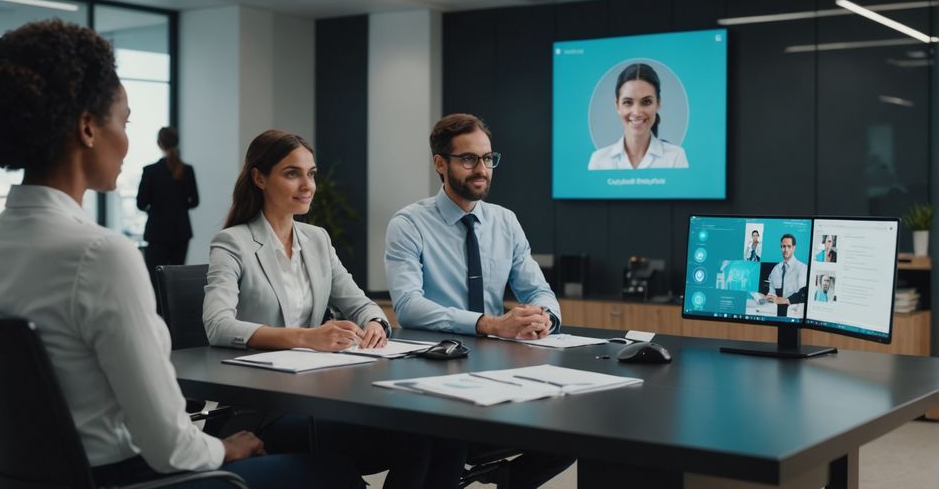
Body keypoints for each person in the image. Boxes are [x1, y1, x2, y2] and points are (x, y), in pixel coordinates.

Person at [0, 20, 361, 488]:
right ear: (88, 127)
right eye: (123, 122)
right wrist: (227, 448)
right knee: (335, 474)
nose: (127, 142)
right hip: (124, 480)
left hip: (24, 479)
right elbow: (171, 446)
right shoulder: (101, 254)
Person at [203, 128, 464, 488]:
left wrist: (374, 322)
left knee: (442, 434)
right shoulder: (232, 243)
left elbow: (360, 303)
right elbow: (218, 325)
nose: (307, 185)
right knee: (415, 438)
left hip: (319, 398)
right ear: (259, 178)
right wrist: (307, 338)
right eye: (292, 173)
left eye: (310, 174)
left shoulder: (317, 240)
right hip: (262, 412)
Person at [384, 113, 574, 488]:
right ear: (441, 163)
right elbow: (408, 305)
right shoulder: (408, 224)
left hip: (498, 366)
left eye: (488, 158)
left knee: (572, 426)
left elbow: (539, 290)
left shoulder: (505, 222)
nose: (481, 169)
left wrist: (544, 319)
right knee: (444, 439)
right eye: (468, 159)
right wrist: (488, 323)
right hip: (434, 370)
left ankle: (503, 477)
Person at [588, 62, 689, 170]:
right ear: (617, 105)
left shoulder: (675, 157)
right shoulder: (599, 160)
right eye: (628, 102)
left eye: (646, 102)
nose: (636, 112)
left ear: (658, 103)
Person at [137, 126, 199, 289]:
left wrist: (155, 209)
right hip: (181, 232)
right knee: (176, 281)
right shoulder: (187, 170)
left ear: (159, 144)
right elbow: (195, 201)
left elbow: (140, 203)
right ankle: (173, 315)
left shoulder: (150, 171)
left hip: (157, 233)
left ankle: (157, 315)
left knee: (155, 282)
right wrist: (178, 207)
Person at [765, 233, 808, 317]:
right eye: (783, 246)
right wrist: (769, 297)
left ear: (794, 248)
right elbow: (772, 290)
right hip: (776, 313)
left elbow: (803, 293)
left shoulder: (802, 268)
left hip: (794, 313)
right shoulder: (776, 269)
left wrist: (785, 300)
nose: (786, 249)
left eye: (789, 246)